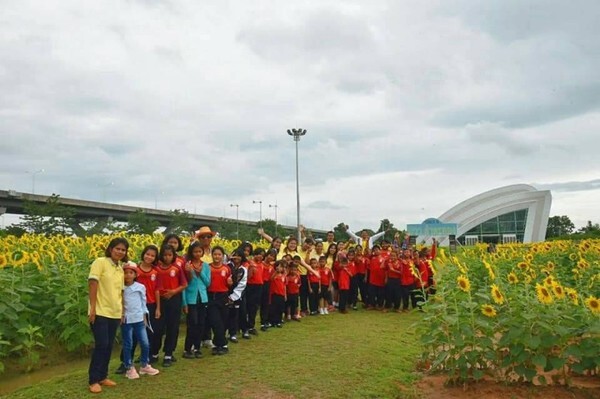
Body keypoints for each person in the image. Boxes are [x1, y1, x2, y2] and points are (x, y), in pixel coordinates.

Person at [88, 237, 129, 394]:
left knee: (109, 345)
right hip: (99, 311)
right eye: (117, 248)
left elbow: (120, 292)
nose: (120, 252)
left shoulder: (120, 268)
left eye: (123, 250)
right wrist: (92, 308)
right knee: (101, 345)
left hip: (114, 312)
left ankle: (103, 376)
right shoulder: (100, 262)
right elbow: (93, 283)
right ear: (111, 249)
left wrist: (121, 311)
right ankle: (93, 380)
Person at [116, 245, 161, 374]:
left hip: (145, 308)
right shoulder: (133, 270)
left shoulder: (154, 271)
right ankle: (126, 364)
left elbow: (154, 292)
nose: (149, 257)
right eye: (147, 254)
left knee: (145, 338)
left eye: (152, 255)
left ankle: (144, 363)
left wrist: (155, 308)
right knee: (130, 341)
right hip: (128, 314)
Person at [152, 245, 187, 367]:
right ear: (161, 255)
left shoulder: (177, 268)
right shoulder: (156, 268)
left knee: (172, 327)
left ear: (173, 256)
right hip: (159, 300)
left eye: (170, 255)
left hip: (174, 299)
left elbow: (184, 284)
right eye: (165, 255)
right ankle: (154, 352)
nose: (167, 257)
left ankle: (168, 353)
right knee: (158, 328)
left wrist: (173, 292)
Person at [182, 242, 210, 359]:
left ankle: (197, 348)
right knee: (192, 323)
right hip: (191, 299)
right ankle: (187, 348)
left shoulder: (206, 266)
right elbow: (184, 284)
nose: (197, 254)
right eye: (195, 252)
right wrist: (184, 303)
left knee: (201, 324)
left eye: (199, 251)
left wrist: (200, 273)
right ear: (191, 253)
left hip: (203, 298)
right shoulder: (187, 265)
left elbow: (208, 283)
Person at [207, 246, 232, 355]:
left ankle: (218, 345)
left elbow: (229, 283)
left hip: (223, 296)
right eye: (215, 254)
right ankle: (223, 344)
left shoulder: (226, 268)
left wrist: (230, 283)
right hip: (212, 297)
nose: (217, 256)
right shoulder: (207, 268)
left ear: (223, 256)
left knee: (223, 321)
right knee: (215, 322)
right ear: (212, 255)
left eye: (219, 254)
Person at [226, 249, 248, 343]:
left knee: (239, 313)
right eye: (235, 255)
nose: (237, 258)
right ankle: (229, 333)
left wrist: (233, 296)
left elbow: (242, 284)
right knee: (228, 314)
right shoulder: (227, 266)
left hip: (237, 295)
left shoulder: (243, 270)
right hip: (225, 293)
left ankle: (236, 333)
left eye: (239, 256)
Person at [245, 248, 265, 335]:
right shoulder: (250, 263)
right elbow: (248, 277)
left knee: (255, 307)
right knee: (249, 306)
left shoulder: (261, 264)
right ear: (255, 255)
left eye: (262, 255)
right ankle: (246, 326)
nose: (260, 256)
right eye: (259, 254)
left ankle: (251, 326)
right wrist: (251, 269)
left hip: (259, 286)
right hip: (251, 286)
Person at [269, 261, 287, 328]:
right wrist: (276, 271)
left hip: (281, 294)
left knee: (280, 308)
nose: (279, 268)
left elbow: (284, 286)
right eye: (278, 266)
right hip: (274, 294)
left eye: (281, 267)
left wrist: (285, 295)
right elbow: (271, 278)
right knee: (274, 308)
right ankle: (272, 321)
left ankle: (279, 321)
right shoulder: (274, 275)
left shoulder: (283, 276)